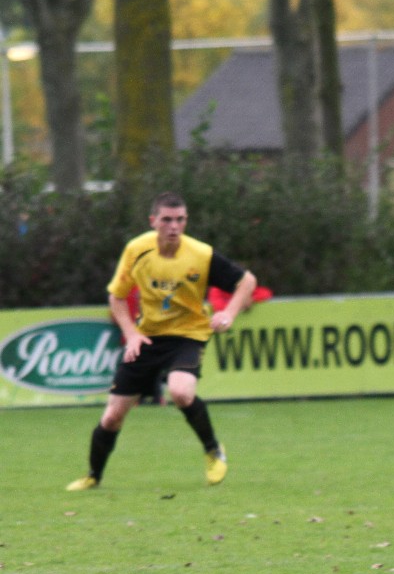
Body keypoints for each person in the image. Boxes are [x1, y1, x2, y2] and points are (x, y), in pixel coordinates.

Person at [66, 191, 258, 490]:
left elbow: (247, 281)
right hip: (148, 337)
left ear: (186, 221)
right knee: (113, 416)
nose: (174, 226)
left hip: (188, 335)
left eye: (180, 220)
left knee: (181, 391)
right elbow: (116, 297)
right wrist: (132, 334)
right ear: (153, 221)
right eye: (167, 220)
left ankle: (213, 450)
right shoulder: (137, 250)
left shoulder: (200, 254)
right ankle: (93, 476)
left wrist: (229, 314)